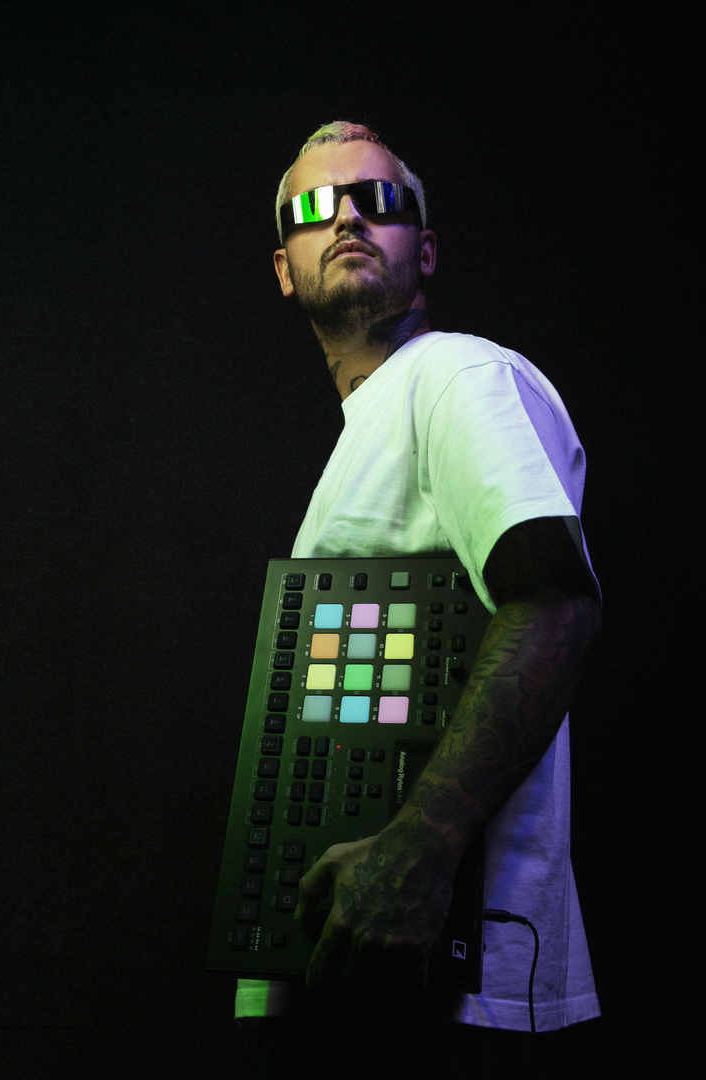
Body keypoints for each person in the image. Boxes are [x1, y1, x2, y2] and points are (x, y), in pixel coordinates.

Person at [234, 121, 603, 1079]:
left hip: (448, 995)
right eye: (315, 206)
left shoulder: (456, 376)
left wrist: (424, 843)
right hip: (353, 978)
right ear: (283, 269)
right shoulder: (376, 422)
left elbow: (555, 599)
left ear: (425, 250)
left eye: (379, 199)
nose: (347, 217)